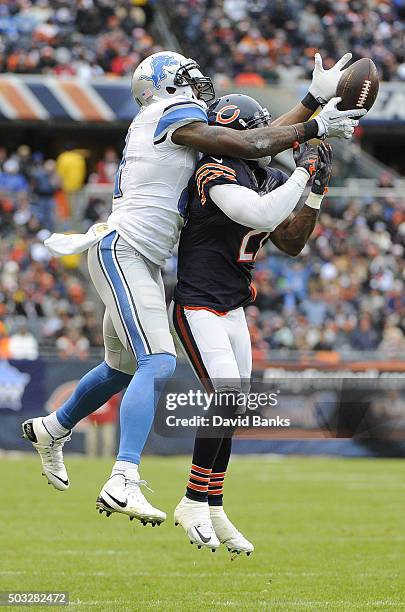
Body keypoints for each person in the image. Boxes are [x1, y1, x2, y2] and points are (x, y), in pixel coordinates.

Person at [22, 50, 362, 528]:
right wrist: (313, 126)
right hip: (125, 250)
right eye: (188, 77)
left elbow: (250, 140)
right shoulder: (167, 114)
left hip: (138, 256)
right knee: (158, 361)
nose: (199, 84)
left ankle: (52, 428)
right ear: (164, 84)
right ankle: (123, 477)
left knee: (120, 369)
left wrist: (313, 100)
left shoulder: (174, 121)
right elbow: (249, 143)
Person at [170, 94, 333, 554]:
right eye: (257, 132)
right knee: (223, 395)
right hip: (198, 304)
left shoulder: (265, 175)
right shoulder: (213, 170)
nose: (265, 141)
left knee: (234, 406)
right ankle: (191, 500)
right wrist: (303, 172)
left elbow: (290, 241)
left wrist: (316, 191)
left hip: (233, 307)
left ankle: (214, 505)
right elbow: (259, 214)